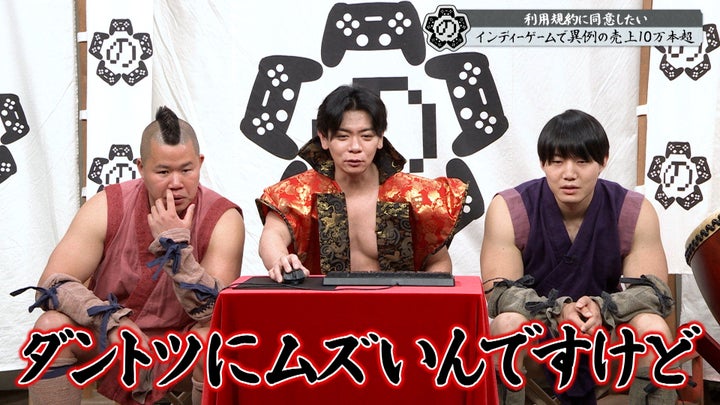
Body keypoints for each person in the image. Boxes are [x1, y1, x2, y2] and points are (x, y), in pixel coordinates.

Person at [15, 106, 245, 405]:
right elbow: (52, 285)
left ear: (200, 163)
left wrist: (176, 248)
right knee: (50, 328)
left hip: (180, 347)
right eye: (163, 172)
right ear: (141, 166)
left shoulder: (224, 219)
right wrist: (110, 321)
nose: (176, 183)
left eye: (186, 170)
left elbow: (214, 313)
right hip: (112, 339)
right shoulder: (106, 206)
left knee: (211, 341)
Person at [480, 109, 675, 404]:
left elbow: (653, 293)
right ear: (543, 163)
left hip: (605, 336)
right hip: (539, 334)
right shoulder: (511, 207)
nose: (569, 173)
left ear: (603, 161)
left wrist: (602, 307)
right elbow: (499, 293)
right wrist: (557, 311)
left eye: (582, 161)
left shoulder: (631, 210)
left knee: (654, 329)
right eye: (557, 162)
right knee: (506, 325)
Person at [257, 84, 467, 281]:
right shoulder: (298, 193)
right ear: (324, 139)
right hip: (322, 305)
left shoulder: (415, 195)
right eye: (343, 137)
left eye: (366, 136)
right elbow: (273, 235)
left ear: (380, 138)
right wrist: (280, 260)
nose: (355, 147)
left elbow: (438, 262)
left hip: (399, 305)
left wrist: (424, 298)